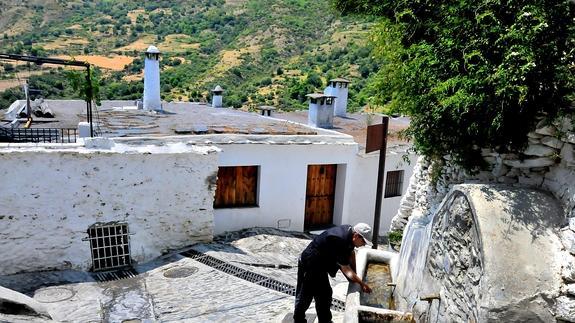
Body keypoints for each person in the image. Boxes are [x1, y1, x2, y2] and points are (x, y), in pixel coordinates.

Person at [293, 223, 373, 323]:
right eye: (364, 242)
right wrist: (362, 284)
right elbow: (346, 270)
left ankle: (325, 321)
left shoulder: (350, 233)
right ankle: (298, 320)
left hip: (320, 266)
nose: (364, 245)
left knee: (324, 294)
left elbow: (351, 253)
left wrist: (356, 274)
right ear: (356, 236)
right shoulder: (339, 240)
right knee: (305, 295)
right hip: (309, 264)